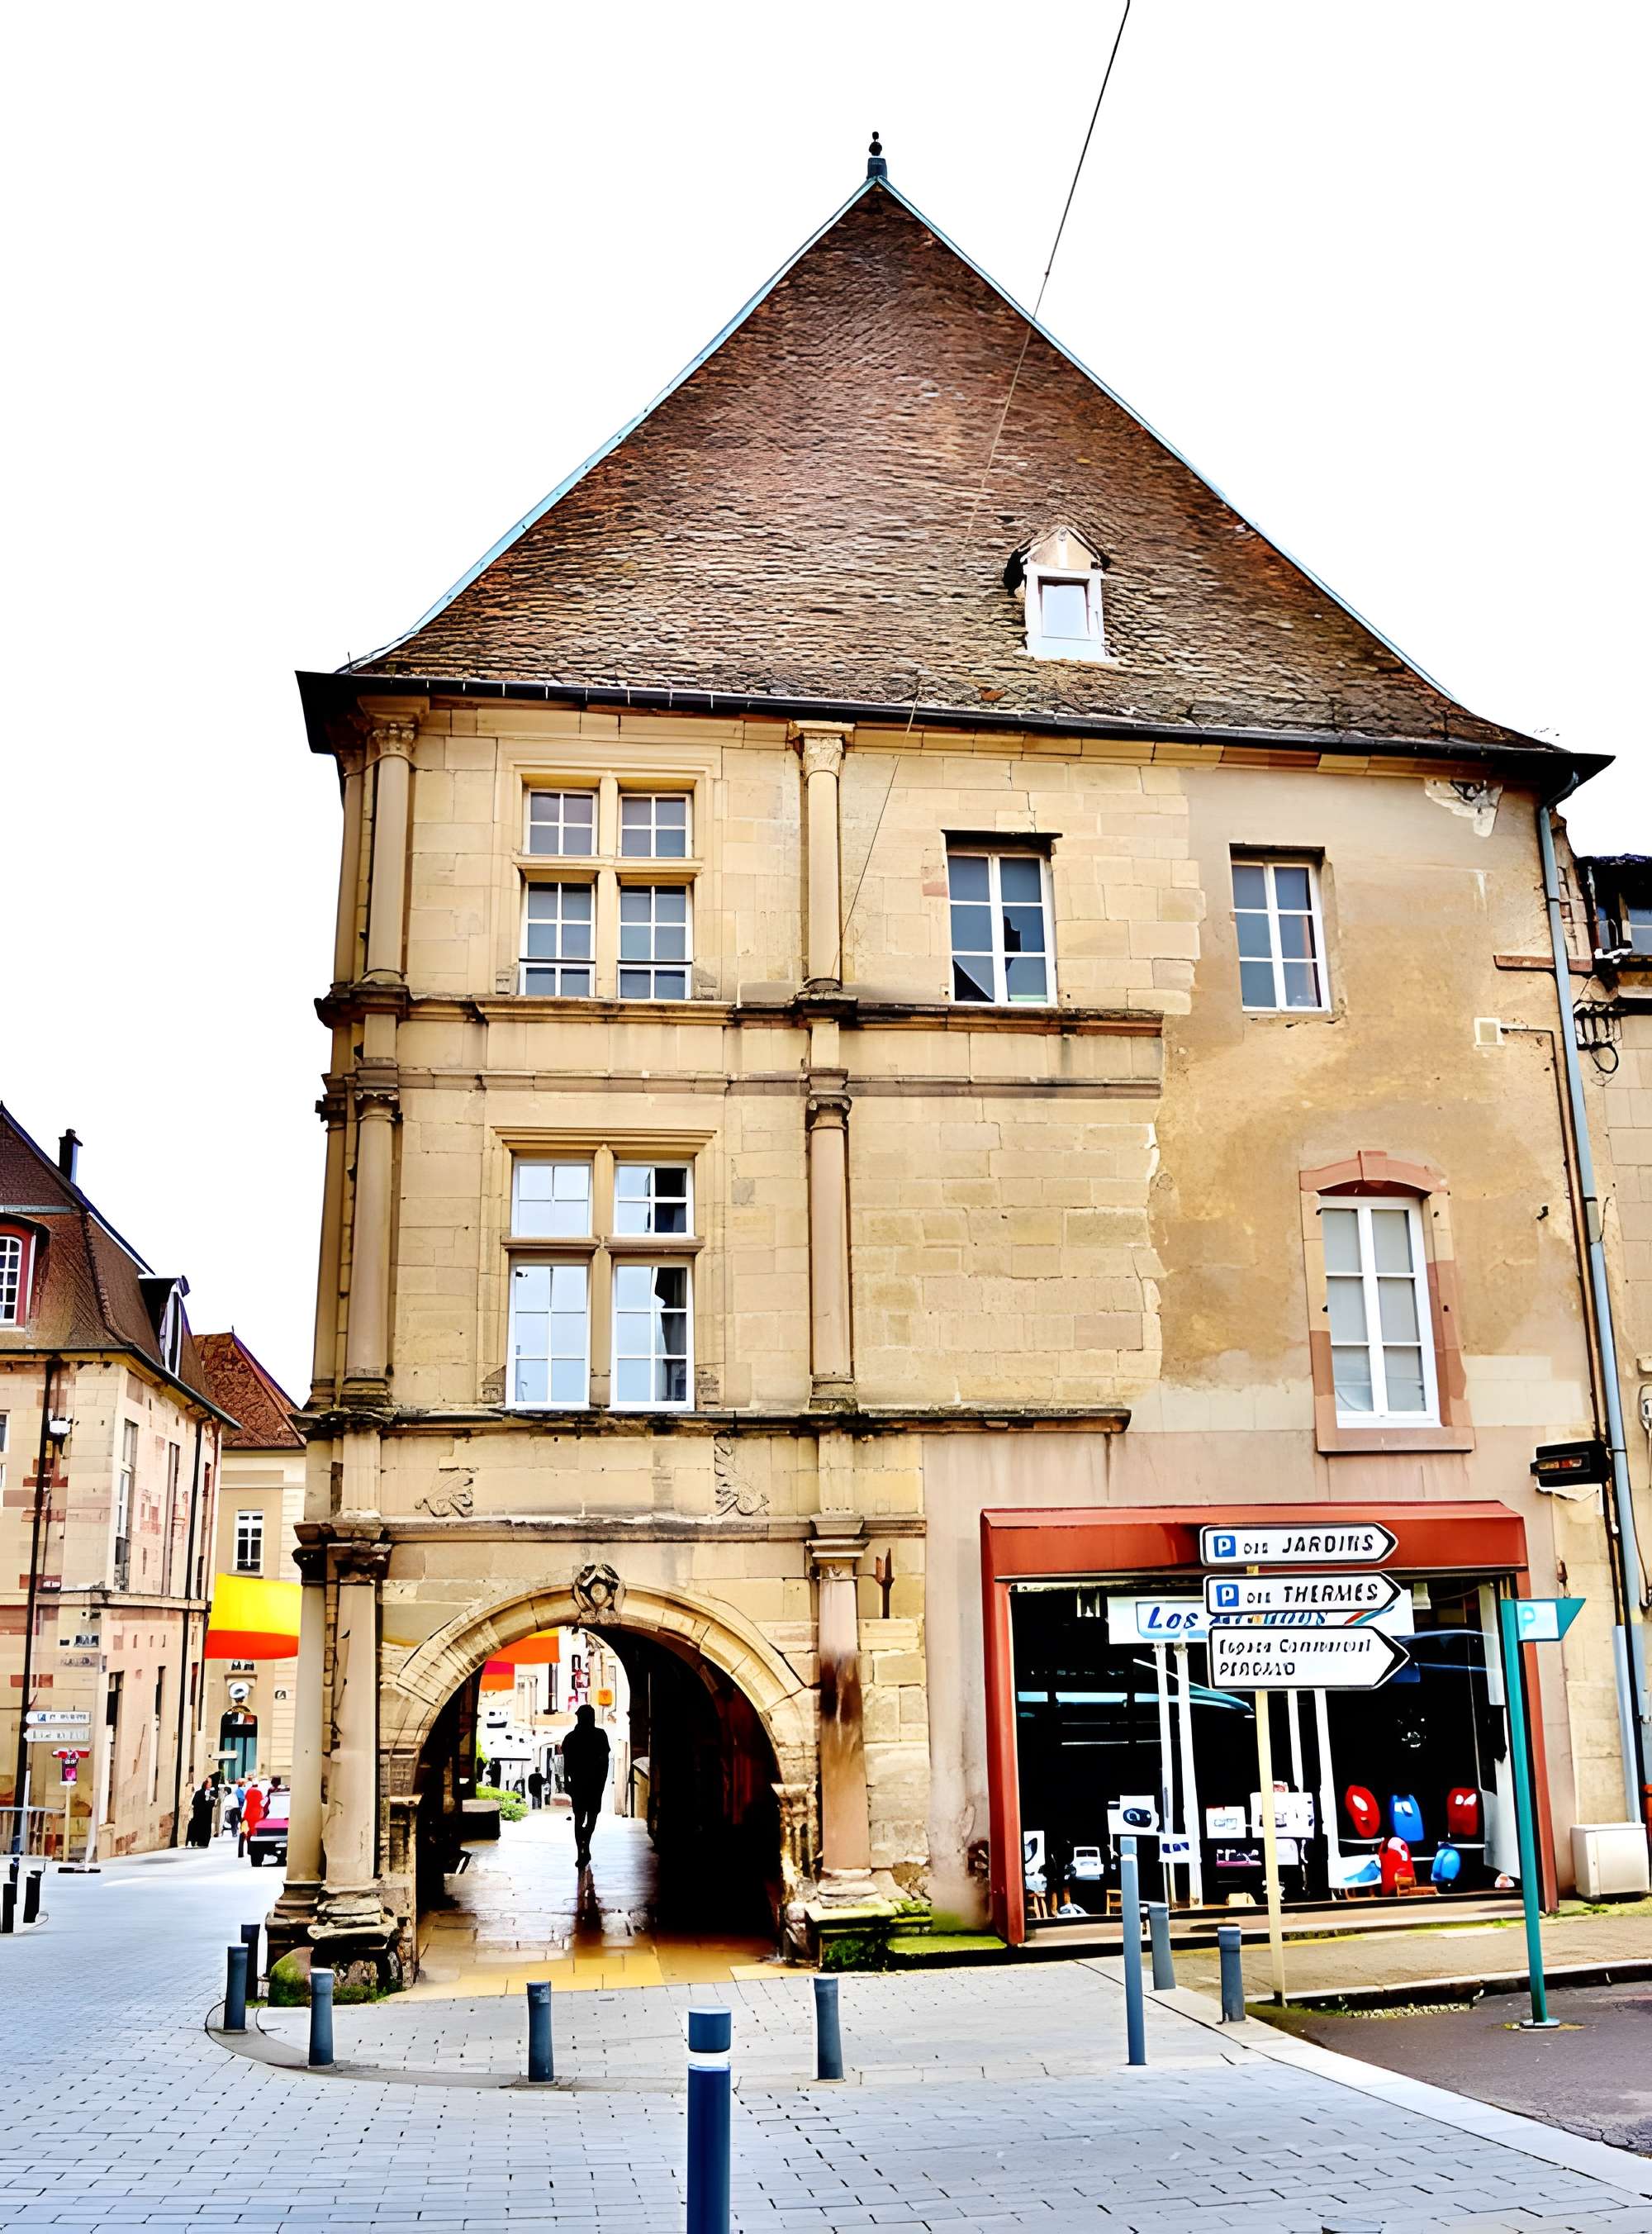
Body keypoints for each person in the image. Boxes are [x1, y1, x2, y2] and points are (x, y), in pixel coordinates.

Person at [560, 1705, 610, 1869]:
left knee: (580, 1818)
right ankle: (584, 1847)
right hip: (592, 1784)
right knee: (589, 1817)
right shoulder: (600, 1736)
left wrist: (567, 1782)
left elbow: (567, 1765)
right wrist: (602, 1781)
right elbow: (604, 1761)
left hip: (580, 1784)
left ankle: (583, 1847)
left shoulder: (571, 1738)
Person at [240, 1779, 265, 1856]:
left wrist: (243, 1816)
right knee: (255, 1832)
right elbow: (263, 1803)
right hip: (258, 1814)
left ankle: (250, 1849)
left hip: (249, 1814)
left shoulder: (249, 1792)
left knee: (249, 1832)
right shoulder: (260, 1792)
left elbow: (246, 1802)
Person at [187, 1780, 214, 1848]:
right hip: (204, 1816)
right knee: (204, 1829)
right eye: (209, 1784)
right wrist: (211, 1801)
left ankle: (199, 1841)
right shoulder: (205, 1793)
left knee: (199, 1828)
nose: (210, 1786)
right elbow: (208, 1804)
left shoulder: (199, 1793)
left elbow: (194, 1803)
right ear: (206, 1785)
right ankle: (203, 1842)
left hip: (199, 1815)